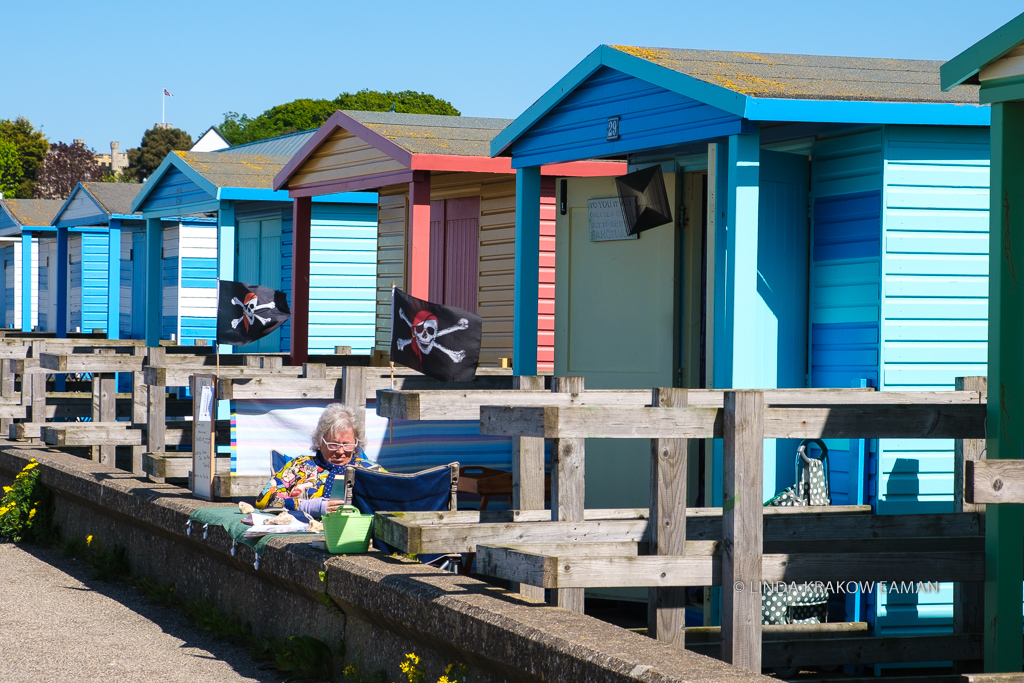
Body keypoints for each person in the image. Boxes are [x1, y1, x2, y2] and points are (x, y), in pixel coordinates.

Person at [254, 403, 383, 518]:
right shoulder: (300, 466)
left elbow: (395, 498)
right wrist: (308, 506)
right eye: (333, 444)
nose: (340, 451)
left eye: (347, 444)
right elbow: (263, 498)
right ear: (320, 442)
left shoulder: (370, 470)